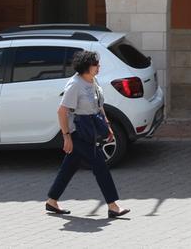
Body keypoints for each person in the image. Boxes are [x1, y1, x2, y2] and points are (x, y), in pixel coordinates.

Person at [45, 50, 130, 218]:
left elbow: (99, 106)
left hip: (91, 129)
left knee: (69, 167)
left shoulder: (93, 80)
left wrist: (107, 126)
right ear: (86, 66)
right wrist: (67, 137)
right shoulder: (75, 85)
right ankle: (113, 206)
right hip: (79, 132)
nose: (99, 67)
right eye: (95, 65)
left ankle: (52, 201)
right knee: (100, 166)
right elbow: (61, 111)